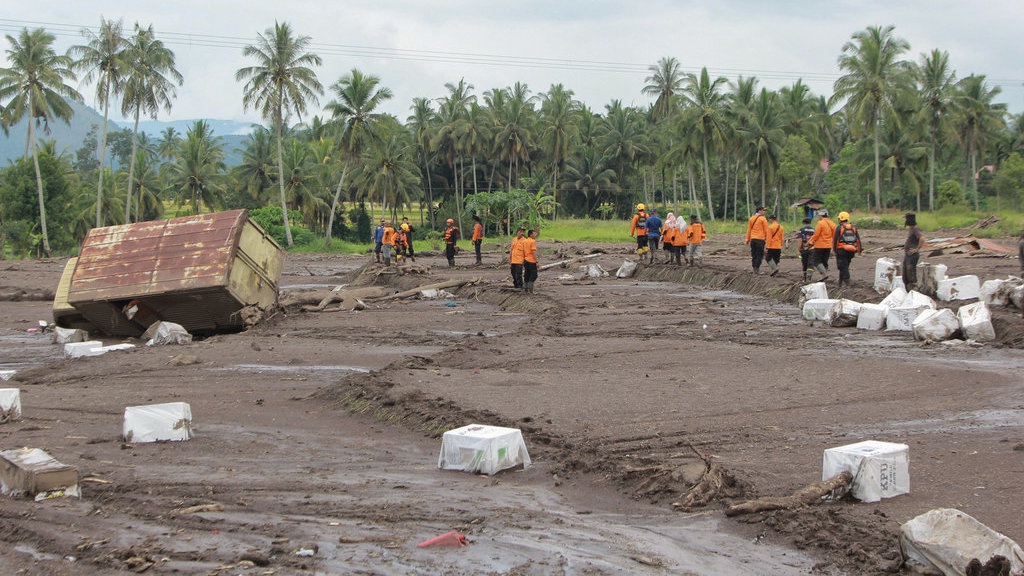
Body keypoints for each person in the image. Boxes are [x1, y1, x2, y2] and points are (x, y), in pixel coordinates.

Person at [832, 211, 862, 287]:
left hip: (841, 250)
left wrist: (835, 250)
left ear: (840, 219)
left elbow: (835, 240)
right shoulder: (853, 227)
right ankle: (840, 283)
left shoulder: (839, 228)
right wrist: (859, 250)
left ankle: (848, 283)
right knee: (845, 266)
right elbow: (858, 240)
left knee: (842, 266)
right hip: (851, 250)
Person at [808, 209, 836, 282]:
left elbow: (816, 234)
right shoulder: (832, 223)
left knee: (816, 260)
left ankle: (824, 274)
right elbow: (834, 235)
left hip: (820, 245)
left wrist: (811, 241)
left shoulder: (820, 223)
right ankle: (823, 276)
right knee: (824, 261)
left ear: (821, 215)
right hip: (828, 245)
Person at [903, 212, 924, 290]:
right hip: (908, 254)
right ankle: (908, 290)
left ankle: (914, 290)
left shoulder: (915, 229)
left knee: (910, 273)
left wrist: (917, 249)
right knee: (906, 273)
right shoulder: (911, 229)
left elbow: (922, 239)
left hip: (912, 255)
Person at [745, 206, 768, 274]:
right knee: (759, 255)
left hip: (753, 239)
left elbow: (749, 229)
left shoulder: (751, 218)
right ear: (759, 211)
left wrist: (747, 239)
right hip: (760, 239)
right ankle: (757, 268)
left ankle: (754, 267)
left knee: (754, 254)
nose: (764, 212)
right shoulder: (763, 219)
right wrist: (767, 239)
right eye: (763, 210)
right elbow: (766, 230)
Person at [795, 217, 815, 281]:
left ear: (804, 223)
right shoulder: (814, 230)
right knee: (811, 263)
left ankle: (805, 278)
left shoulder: (801, 230)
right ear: (810, 223)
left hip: (803, 249)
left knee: (804, 263)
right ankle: (809, 277)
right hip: (812, 248)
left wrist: (798, 250)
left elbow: (800, 240)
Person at [523, 229, 539, 293]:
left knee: (527, 274)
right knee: (534, 275)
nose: (536, 235)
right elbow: (533, 252)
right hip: (531, 261)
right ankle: (531, 289)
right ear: (531, 234)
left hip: (526, 260)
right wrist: (536, 261)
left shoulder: (525, 241)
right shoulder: (532, 241)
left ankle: (525, 288)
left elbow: (523, 251)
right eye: (534, 233)